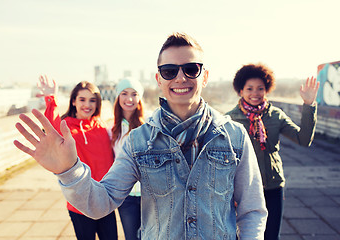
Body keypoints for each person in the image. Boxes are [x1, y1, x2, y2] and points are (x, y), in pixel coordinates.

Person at [14, 32, 267, 239]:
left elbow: (252, 210)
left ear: (205, 76)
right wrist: (68, 170)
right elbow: (101, 202)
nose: (181, 77)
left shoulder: (234, 136)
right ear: (158, 79)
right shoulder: (138, 142)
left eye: (191, 69)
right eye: (169, 71)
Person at [226, 63, 319, 240]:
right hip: (242, 188)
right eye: (250, 88)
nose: (255, 93)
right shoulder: (230, 119)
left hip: (273, 186)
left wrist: (308, 104)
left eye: (260, 88)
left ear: (267, 89)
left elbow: (304, 139)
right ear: (240, 91)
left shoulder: (276, 115)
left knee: (271, 236)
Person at [36, 76, 118, 240]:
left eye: (92, 100)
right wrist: (51, 98)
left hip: (104, 201)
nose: (87, 105)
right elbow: (52, 127)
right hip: (79, 204)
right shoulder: (66, 128)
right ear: (73, 101)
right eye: (82, 99)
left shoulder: (102, 126)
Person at [111, 78, 144, 240]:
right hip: (126, 197)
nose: (129, 99)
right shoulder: (112, 130)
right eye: (124, 94)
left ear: (140, 98)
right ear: (118, 97)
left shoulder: (148, 127)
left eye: (134, 94)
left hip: (149, 195)